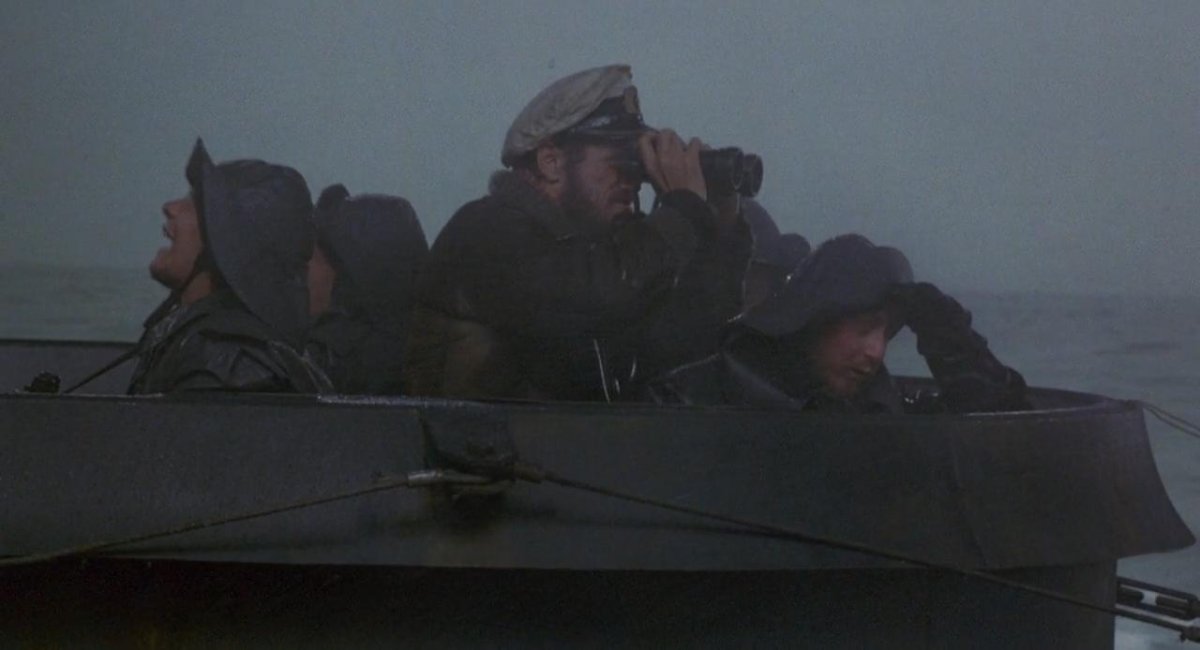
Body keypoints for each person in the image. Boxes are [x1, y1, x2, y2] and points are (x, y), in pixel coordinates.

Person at [404, 64, 751, 401]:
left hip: (566, 440)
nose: (633, 179)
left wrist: (719, 224)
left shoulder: (597, 254)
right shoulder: (486, 232)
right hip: (473, 439)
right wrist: (683, 209)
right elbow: (593, 299)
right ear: (551, 162)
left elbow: (683, 341)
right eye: (622, 161)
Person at [645, 234, 1029, 413]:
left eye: (886, 333)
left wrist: (947, 334)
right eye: (864, 328)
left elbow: (1005, 437)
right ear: (814, 320)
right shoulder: (691, 398)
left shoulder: (878, 414)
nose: (876, 351)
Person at [127, 139, 331, 394]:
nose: (170, 208)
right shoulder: (212, 346)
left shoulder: (229, 367)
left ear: (228, 243)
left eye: (194, 203)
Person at [306, 184, 429, 394]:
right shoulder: (427, 358)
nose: (301, 271)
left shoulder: (323, 365)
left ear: (349, 271)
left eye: (310, 256)